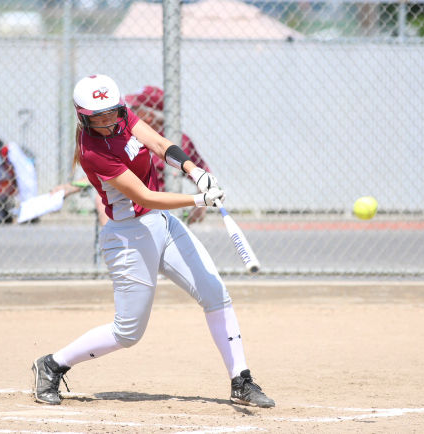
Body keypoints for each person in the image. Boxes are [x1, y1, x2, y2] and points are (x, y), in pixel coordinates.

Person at [32, 74, 274, 408]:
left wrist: (195, 171)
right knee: (127, 333)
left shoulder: (123, 117)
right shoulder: (92, 152)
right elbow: (146, 196)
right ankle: (52, 364)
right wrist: (198, 200)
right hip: (130, 237)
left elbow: (161, 145)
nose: (106, 121)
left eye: (111, 113)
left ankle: (241, 380)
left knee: (216, 294)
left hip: (162, 224)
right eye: (96, 117)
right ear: (83, 118)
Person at [53, 85, 211, 226]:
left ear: (150, 115)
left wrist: (201, 202)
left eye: (136, 106)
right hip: (133, 207)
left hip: (166, 204)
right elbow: (110, 173)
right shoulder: (120, 134)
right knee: (101, 202)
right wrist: (72, 187)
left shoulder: (181, 140)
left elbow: (202, 171)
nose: (130, 109)